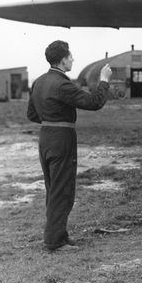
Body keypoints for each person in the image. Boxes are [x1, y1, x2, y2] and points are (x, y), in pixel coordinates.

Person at [27, 40, 112, 252]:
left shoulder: (39, 82)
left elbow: (31, 115)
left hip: (45, 139)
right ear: (63, 59)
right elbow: (94, 103)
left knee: (53, 188)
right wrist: (104, 80)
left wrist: (51, 121)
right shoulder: (62, 84)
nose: (73, 59)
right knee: (62, 190)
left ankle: (59, 236)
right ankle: (54, 242)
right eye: (71, 56)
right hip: (61, 140)